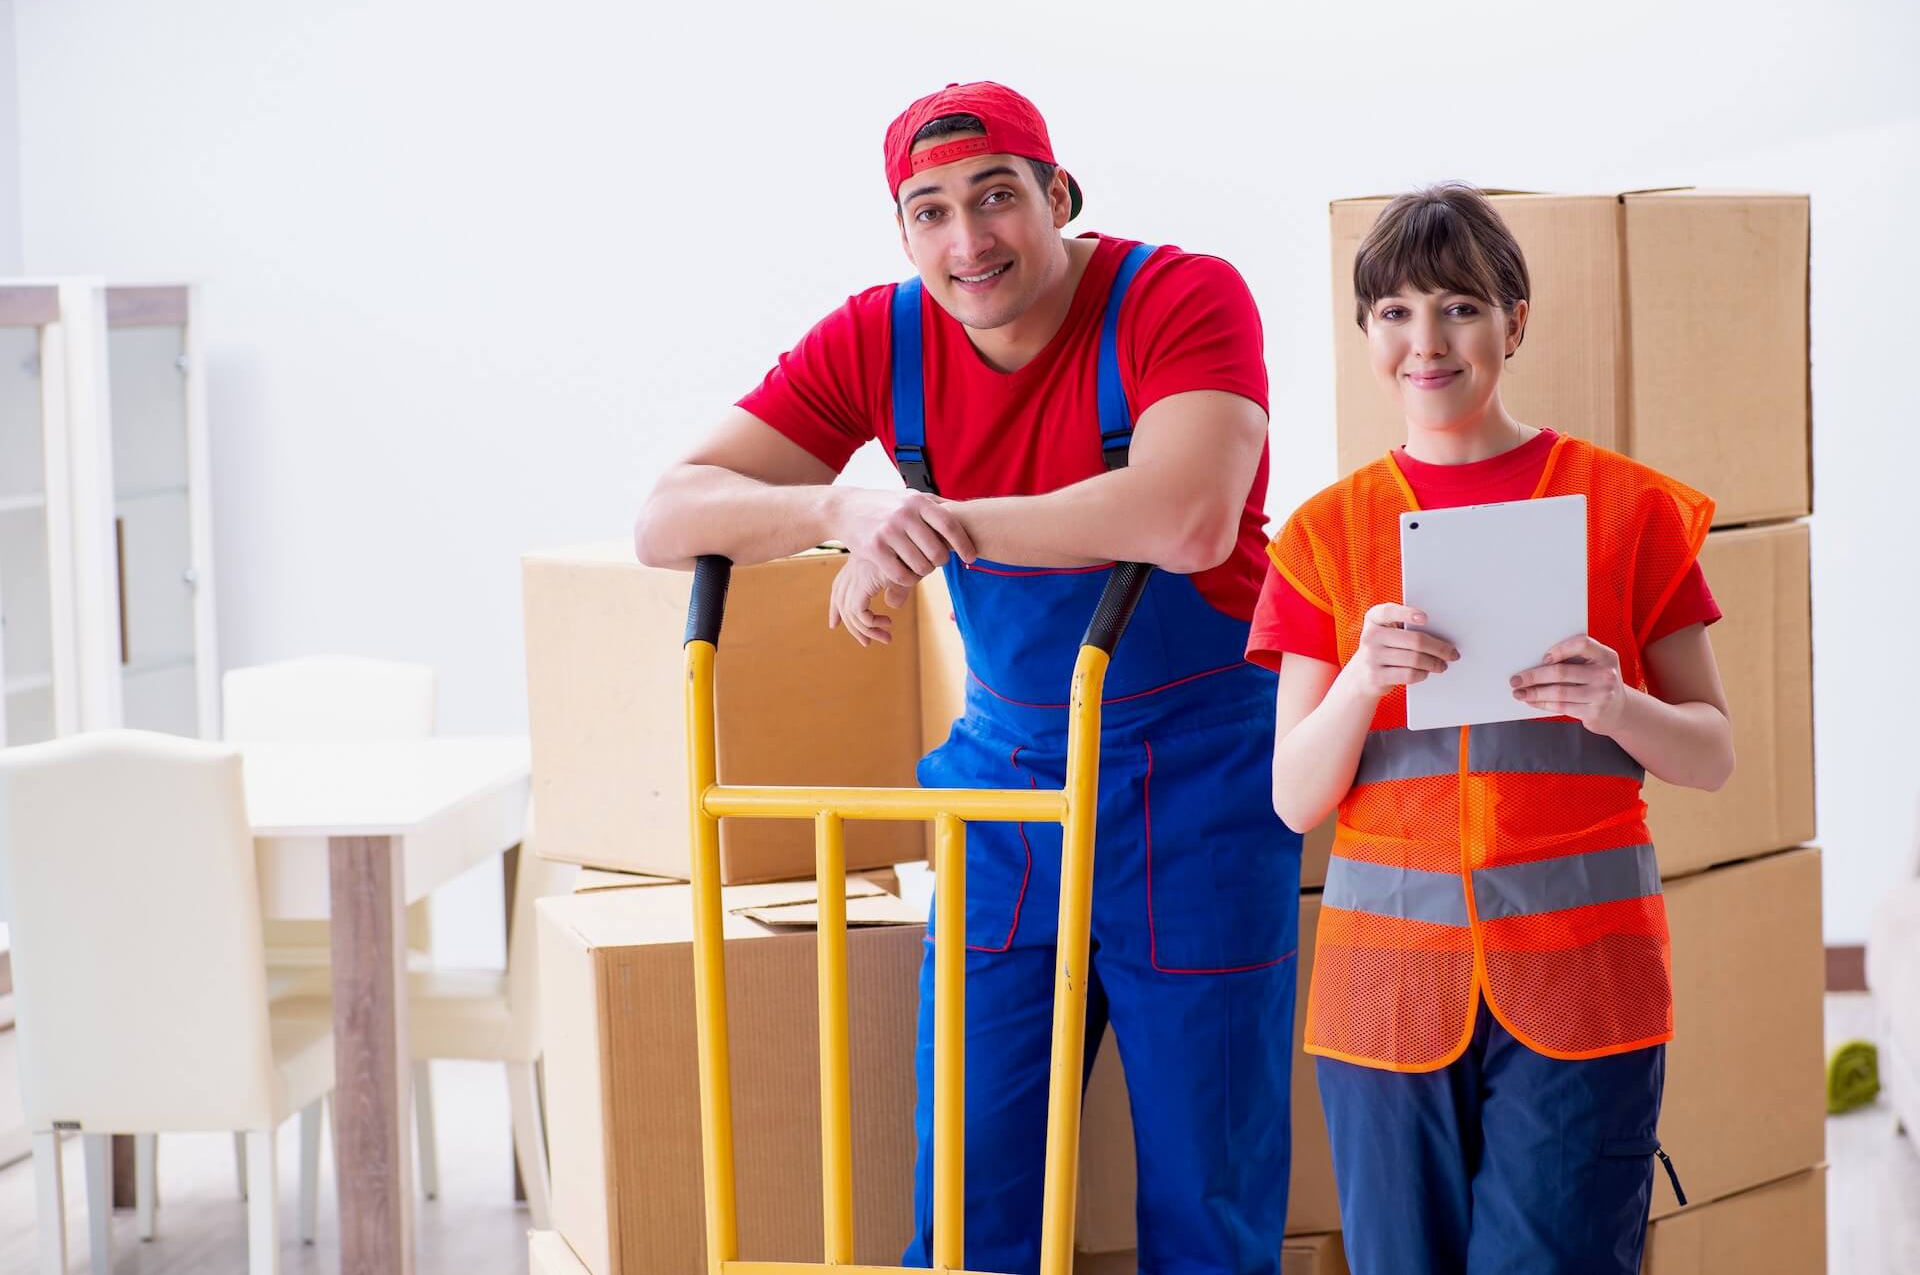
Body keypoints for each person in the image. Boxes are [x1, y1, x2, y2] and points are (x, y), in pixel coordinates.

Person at [634, 81, 1302, 1275]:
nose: (967, 240)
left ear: (1058, 194)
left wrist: (935, 525)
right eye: (929, 210)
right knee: (970, 1174)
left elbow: (1190, 514)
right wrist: (847, 507)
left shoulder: (1178, 297)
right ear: (901, 232)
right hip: (1006, 786)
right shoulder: (879, 337)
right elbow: (669, 510)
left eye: (997, 197)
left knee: (1210, 1185)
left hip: (1195, 778)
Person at [1249, 183, 1736, 1275]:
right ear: (1367, 332)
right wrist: (1359, 685)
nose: (1428, 341)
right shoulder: (1326, 537)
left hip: (1583, 986)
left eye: (1461, 307)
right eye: (1396, 313)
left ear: (1515, 322)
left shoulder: (1628, 510)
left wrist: (1618, 705)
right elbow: (1292, 796)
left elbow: (1712, 751)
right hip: (1387, 998)